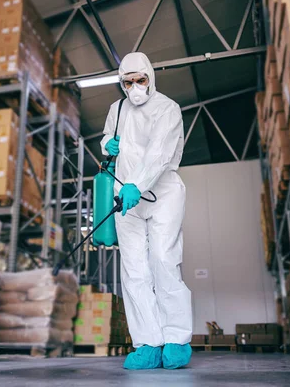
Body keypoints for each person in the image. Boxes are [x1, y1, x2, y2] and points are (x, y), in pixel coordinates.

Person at [100, 52, 193, 370]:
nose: (135, 87)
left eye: (141, 80)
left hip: (162, 193)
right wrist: (106, 146)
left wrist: (136, 183)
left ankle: (177, 339)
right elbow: (108, 136)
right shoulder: (117, 108)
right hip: (126, 199)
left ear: (151, 77)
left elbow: (160, 152)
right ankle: (148, 343)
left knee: (163, 261)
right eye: (128, 82)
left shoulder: (167, 108)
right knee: (134, 271)